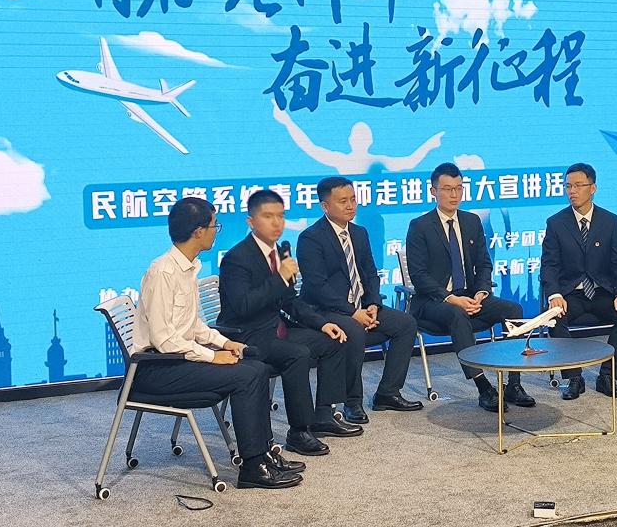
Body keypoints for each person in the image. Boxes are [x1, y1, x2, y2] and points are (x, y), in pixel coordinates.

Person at [132, 197, 303, 489]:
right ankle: (252, 467)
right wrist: (212, 357)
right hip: (157, 368)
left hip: (177, 359)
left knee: (257, 366)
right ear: (198, 231)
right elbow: (164, 339)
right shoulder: (163, 272)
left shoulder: (188, 268)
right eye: (214, 225)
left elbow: (193, 326)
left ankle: (263, 454)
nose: (216, 231)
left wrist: (224, 343)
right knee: (246, 375)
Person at [218, 190, 362, 457]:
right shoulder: (237, 258)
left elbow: (290, 301)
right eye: (268, 216)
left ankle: (324, 415)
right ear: (251, 221)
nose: (276, 223)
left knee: (334, 339)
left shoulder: (280, 252)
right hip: (246, 336)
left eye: (280, 216)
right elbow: (243, 306)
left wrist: (321, 324)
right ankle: (299, 431)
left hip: (275, 329)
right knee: (297, 354)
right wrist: (279, 278)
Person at [405, 162, 536, 411]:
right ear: (433, 191)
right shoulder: (420, 226)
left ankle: (514, 384)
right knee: (457, 313)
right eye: (447, 189)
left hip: (470, 297)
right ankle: (484, 388)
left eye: (458, 188)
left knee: (513, 310)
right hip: (433, 303)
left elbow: (484, 263)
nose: (454, 195)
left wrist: (481, 292)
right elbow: (419, 276)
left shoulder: (471, 221)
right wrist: (451, 298)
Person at [297, 176, 421, 422]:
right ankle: (352, 401)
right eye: (343, 201)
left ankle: (387, 392)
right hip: (325, 311)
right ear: (325, 206)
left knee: (406, 323)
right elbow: (318, 286)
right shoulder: (311, 238)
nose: (350, 205)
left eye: (353, 199)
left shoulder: (359, 233)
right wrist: (353, 313)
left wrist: (373, 304)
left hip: (361, 306)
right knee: (353, 329)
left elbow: (370, 273)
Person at [541, 163, 617, 400]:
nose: (572, 191)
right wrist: (555, 295)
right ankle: (574, 378)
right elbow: (549, 265)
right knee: (554, 317)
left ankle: (607, 377)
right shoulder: (556, 223)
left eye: (578, 186)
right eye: (568, 186)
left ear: (593, 188)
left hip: (602, 292)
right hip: (570, 294)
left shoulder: (610, 221)